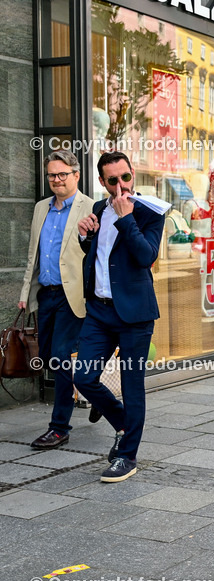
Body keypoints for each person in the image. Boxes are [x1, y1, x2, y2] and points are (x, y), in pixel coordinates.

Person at [74, 152, 163, 483]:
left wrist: (126, 219)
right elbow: (98, 255)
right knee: (82, 377)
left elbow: (145, 256)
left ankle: (127, 456)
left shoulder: (150, 211)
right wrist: (86, 235)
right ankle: (123, 423)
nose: (122, 185)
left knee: (131, 384)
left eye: (126, 177)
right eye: (113, 180)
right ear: (102, 182)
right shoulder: (98, 208)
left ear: (132, 173)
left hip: (135, 315)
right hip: (99, 310)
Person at [19, 151, 92, 449]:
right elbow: (32, 255)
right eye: (52, 175)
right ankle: (95, 390)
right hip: (45, 295)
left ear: (76, 175)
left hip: (72, 295)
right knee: (50, 356)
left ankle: (59, 426)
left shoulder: (90, 207)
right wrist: (25, 293)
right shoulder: (41, 208)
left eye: (63, 174)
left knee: (61, 357)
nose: (57, 179)